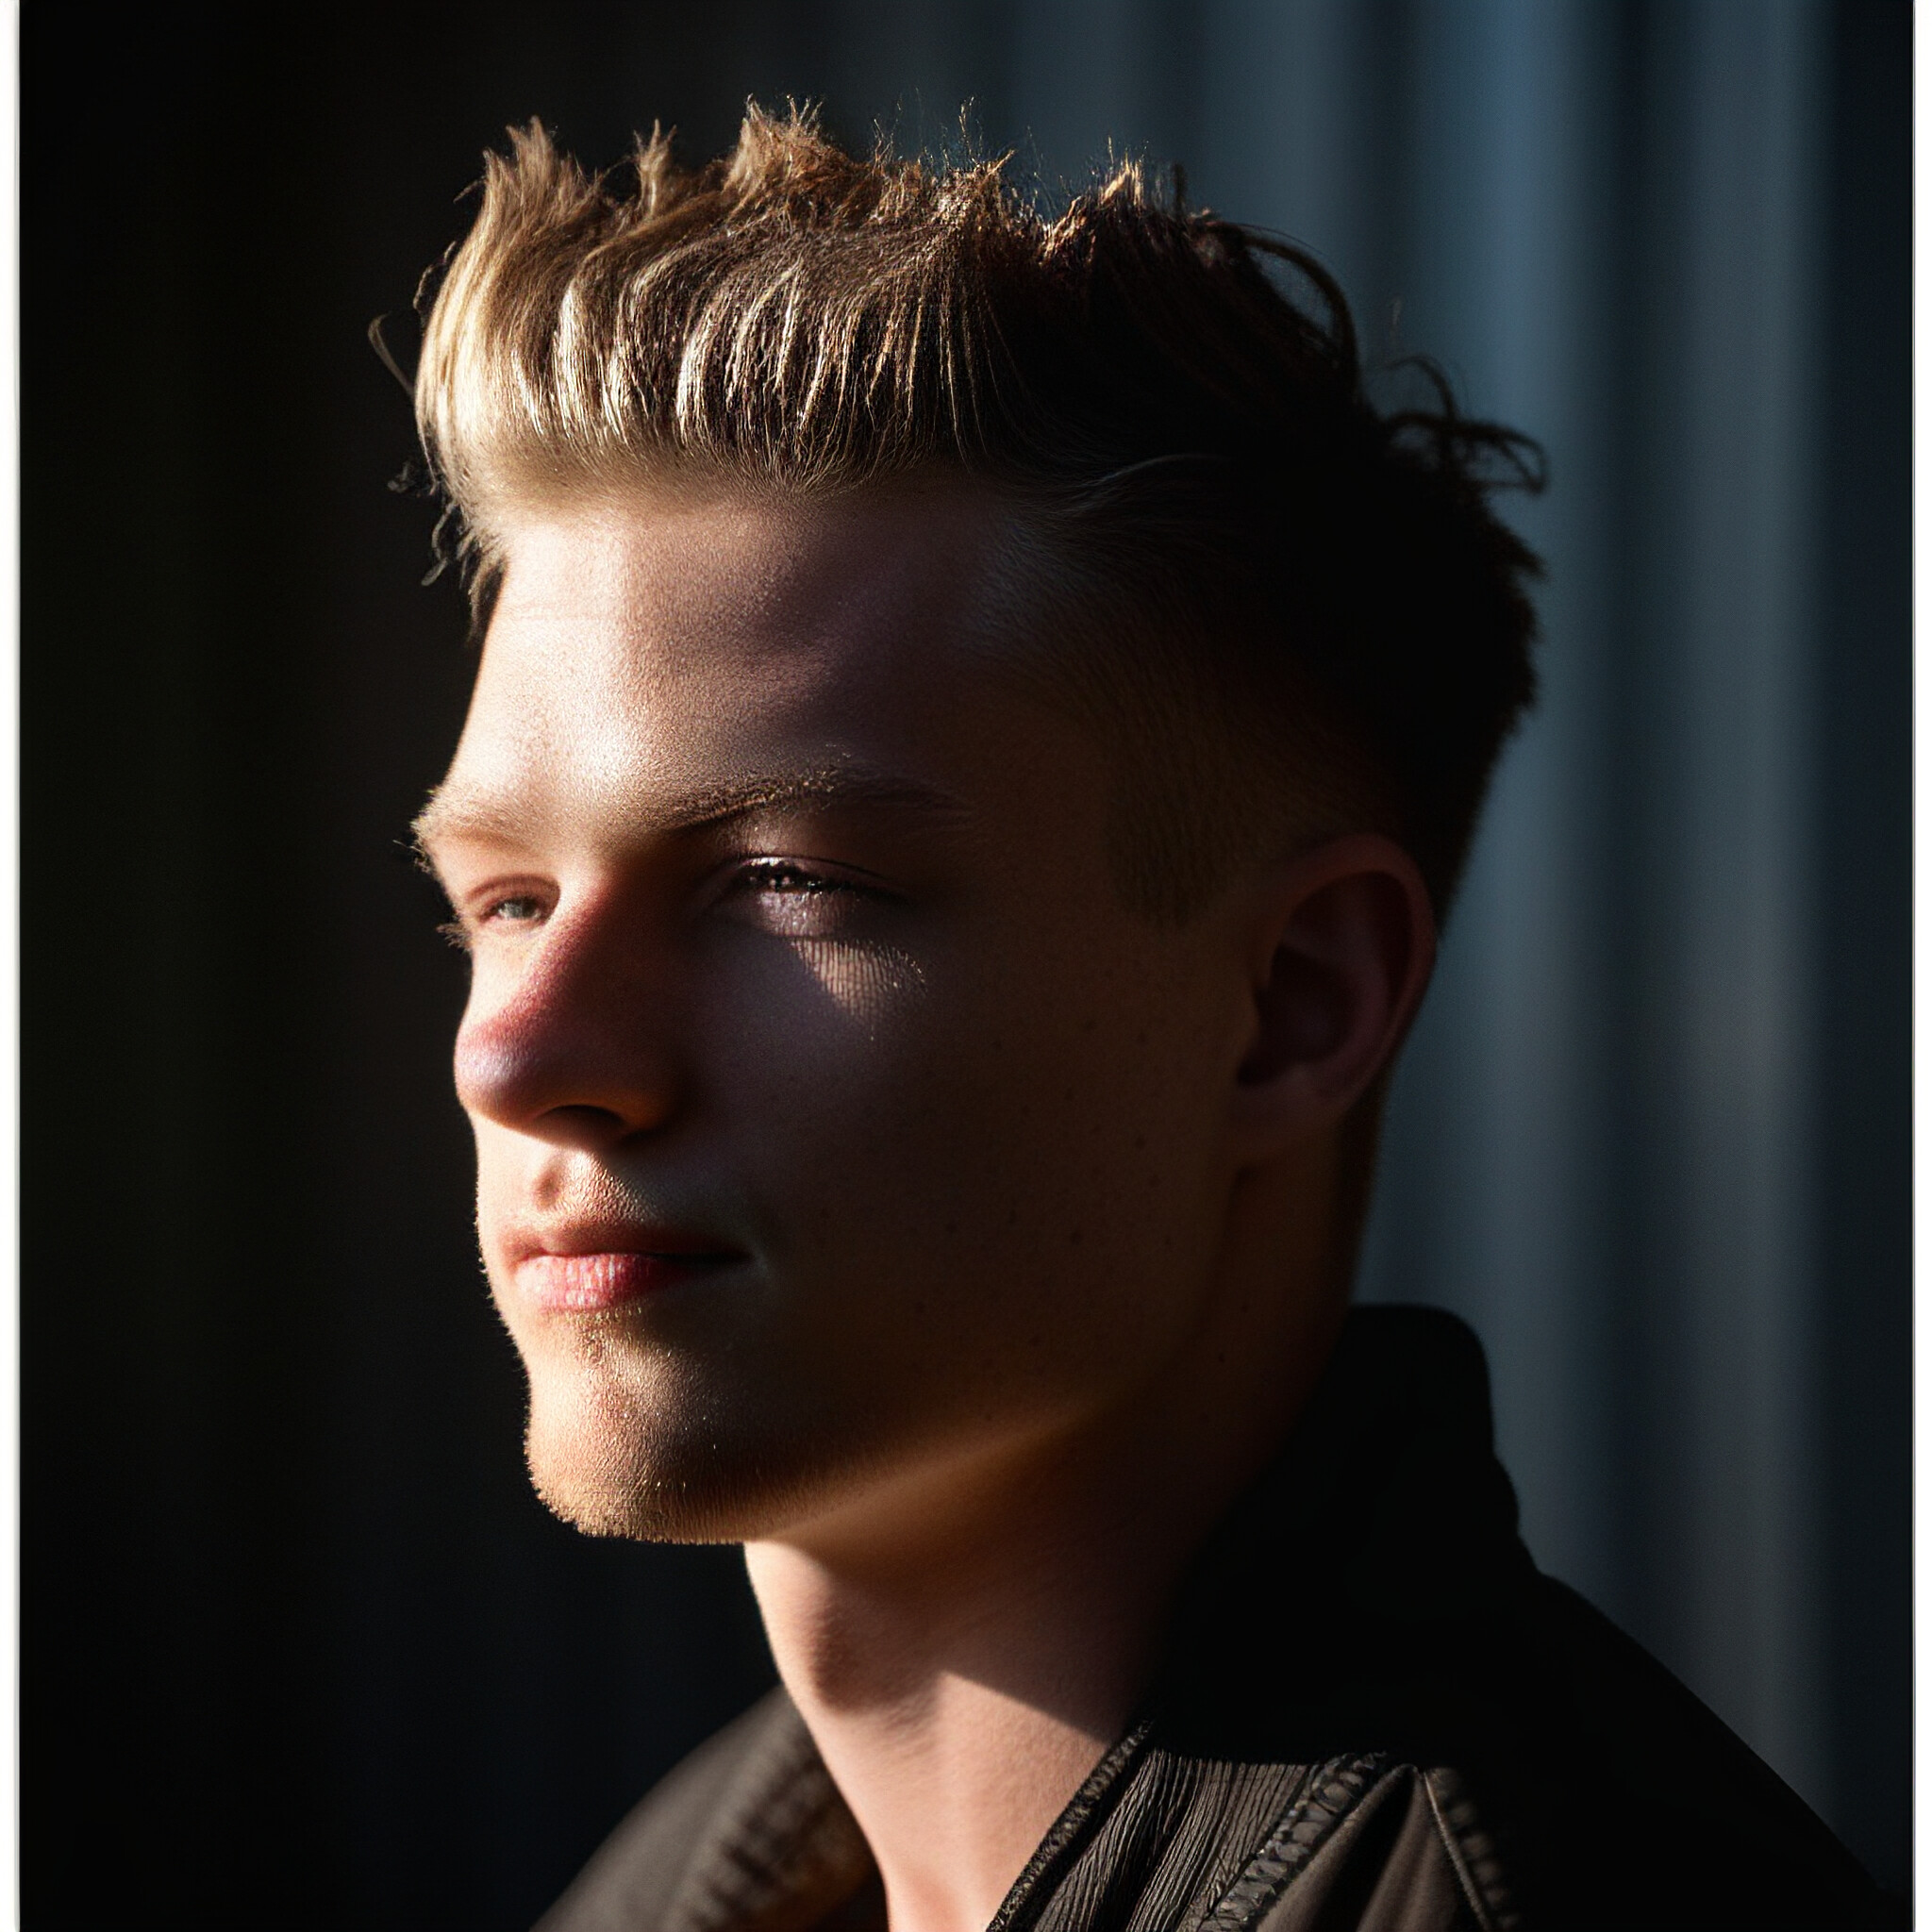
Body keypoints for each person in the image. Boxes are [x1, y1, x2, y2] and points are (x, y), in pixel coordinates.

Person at [406, 107, 1894, 1932]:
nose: (524, 1056)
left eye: (787, 882)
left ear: (1293, 1003)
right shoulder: (658, 1895)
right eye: (507, 901)